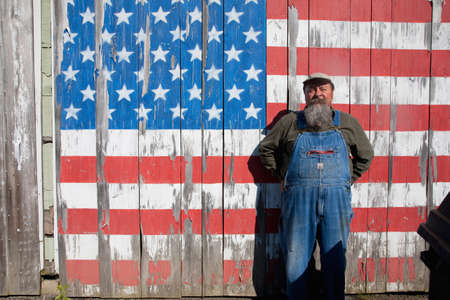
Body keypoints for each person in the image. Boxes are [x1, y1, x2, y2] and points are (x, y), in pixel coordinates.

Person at [259, 73, 374, 300]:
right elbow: (266, 149)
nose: (317, 94)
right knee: (296, 257)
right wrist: (282, 175)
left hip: (336, 202)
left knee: (335, 256)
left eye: (323, 89)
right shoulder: (290, 122)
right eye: (311, 90)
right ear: (305, 95)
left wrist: (347, 180)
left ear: (331, 94)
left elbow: (366, 155)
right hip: (298, 201)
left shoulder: (347, 123)